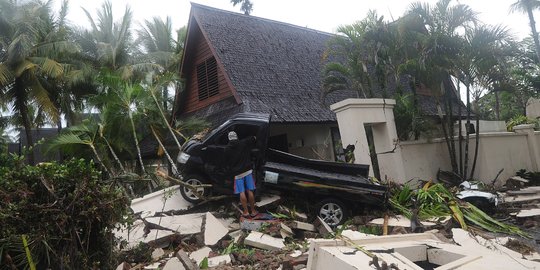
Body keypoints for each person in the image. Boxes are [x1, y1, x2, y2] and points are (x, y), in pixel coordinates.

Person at [224, 131, 259, 218]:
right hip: (247, 171)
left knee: (242, 192)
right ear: (236, 137)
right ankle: (253, 211)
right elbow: (254, 137)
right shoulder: (243, 142)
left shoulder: (227, 149)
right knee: (250, 191)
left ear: (229, 139)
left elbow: (227, 163)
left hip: (237, 174)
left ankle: (246, 212)